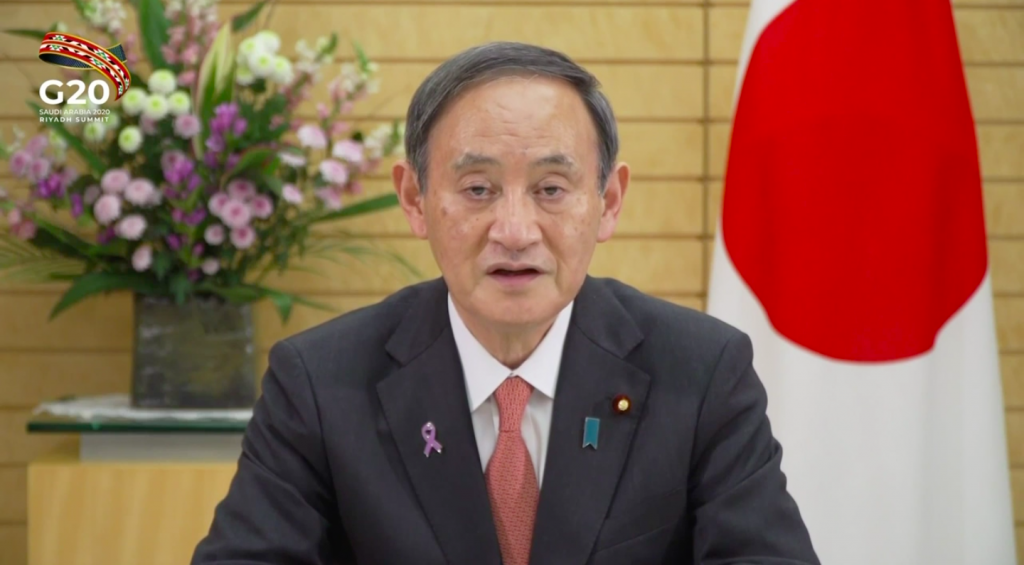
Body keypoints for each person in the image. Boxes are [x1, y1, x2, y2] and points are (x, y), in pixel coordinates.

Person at [191, 41, 819, 565]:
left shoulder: (703, 372)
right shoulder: (321, 384)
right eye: (477, 189)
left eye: (551, 188)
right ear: (414, 199)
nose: (514, 231)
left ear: (609, 201)